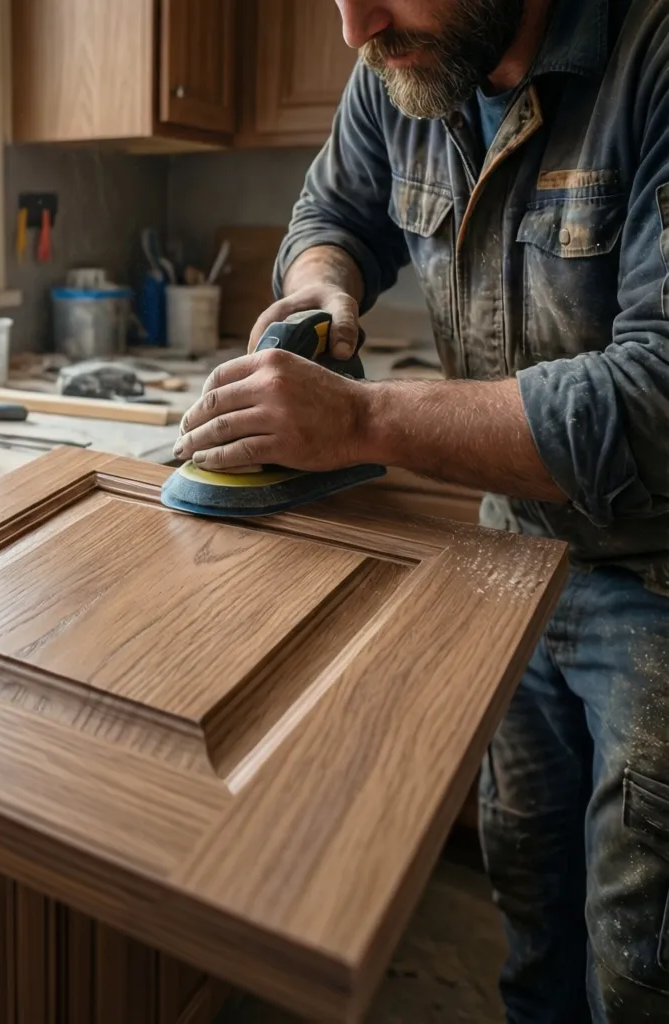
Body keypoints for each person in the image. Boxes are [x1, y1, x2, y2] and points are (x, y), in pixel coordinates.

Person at [173, 0, 669, 1020]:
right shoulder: (406, 62)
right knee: (531, 917)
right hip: (514, 559)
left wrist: (361, 420)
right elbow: (331, 219)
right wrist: (322, 290)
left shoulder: (651, 57)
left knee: (638, 963)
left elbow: (656, 401)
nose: (355, 27)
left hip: (656, 577)